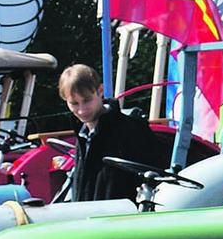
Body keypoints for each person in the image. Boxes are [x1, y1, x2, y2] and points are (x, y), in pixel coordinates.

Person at [58, 64, 170, 202]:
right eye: (74, 103)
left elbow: (154, 180)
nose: (82, 110)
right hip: (89, 219)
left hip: (122, 220)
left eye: (87, 100)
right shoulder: (83, 136)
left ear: (100, 91)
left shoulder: (131, 129)